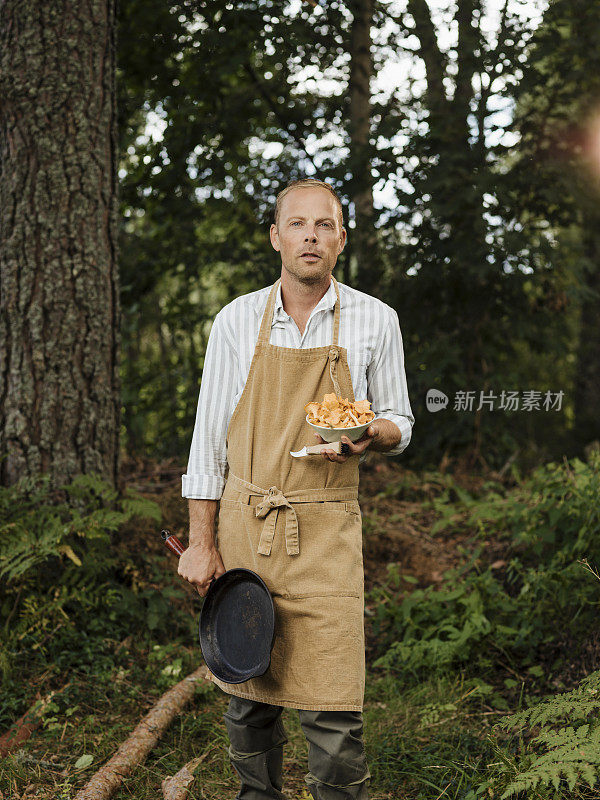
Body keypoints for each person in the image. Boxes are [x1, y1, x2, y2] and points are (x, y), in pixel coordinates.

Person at [180, 178, 414, 800]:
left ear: (341, 238)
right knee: (247, 697)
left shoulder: (375, 320)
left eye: (324, 225)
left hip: (328, 531)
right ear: (278, 236)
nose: (311, 236)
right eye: (298, 224)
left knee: (334, 706)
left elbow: (401, 420)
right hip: (247, 521)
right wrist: (201, 541)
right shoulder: (235, 321)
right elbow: (209, 439)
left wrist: (374, 434)